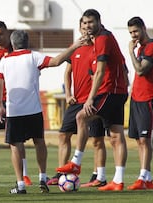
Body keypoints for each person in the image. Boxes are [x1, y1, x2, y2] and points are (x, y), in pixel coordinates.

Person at [0, 30, 84, 194]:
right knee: (39, 142)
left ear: (12, 44)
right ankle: (42, 177)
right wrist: (75, 45)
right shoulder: (34, 56)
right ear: (27, 42)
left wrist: (0, 105)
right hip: (33, 109)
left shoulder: (5, 60)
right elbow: (57, 61)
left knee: (16, 146)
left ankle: (21, 184)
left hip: (13, 110)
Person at [56, 9, 129, 191]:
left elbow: (100, 72)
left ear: (98, 22)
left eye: (91, 22)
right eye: (85, 23)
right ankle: (118, 181)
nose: (88, 26)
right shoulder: (100, 39)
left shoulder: (103, 39)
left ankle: (76, 163)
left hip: (110, 91)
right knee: (116, 135)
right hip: (116, 91)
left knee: (82, 117)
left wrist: (90, 99)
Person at [48, 19, 107, 188]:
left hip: (92, 100)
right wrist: (67, 94)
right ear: (80, 29)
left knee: (97, 139)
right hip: (76, 100)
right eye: (82, 27)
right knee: (63, 135)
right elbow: (67, 73)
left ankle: (98, 175)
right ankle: (61, 172)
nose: (85, 31)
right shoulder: (74, 48)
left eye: (88, 27)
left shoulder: (98, 48)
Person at [0, 20, 32, 186]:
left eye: (0, 34)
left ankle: (24, 175)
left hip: (11, 101)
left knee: (15, 140)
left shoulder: (14, 50)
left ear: (7, 33)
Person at [126, 16, 153, 190]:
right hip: (136, 98)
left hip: (147, 99)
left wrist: (130, 52)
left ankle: (143, 177)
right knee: (138, 140)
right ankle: (147, 178)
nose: (133, 35)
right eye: (130, 32)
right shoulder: (140, 48)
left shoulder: (150, 47)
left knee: (145, 139)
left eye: (135, 31)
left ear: (143, 28)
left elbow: (141, 70)